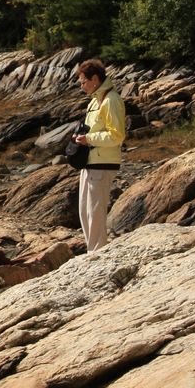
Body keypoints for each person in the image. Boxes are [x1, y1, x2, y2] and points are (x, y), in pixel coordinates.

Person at [74, 58, 126, 252]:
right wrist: (82, 138)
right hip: (90, 162)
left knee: (94, 214)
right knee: (85, 212)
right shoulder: (96, 100)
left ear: (94, 79)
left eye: (83, 82)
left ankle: (97, 254)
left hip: (102, 164)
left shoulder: (111, 100)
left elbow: (117, 135)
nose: (81, 87)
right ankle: (93, 251)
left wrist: (89, 139)